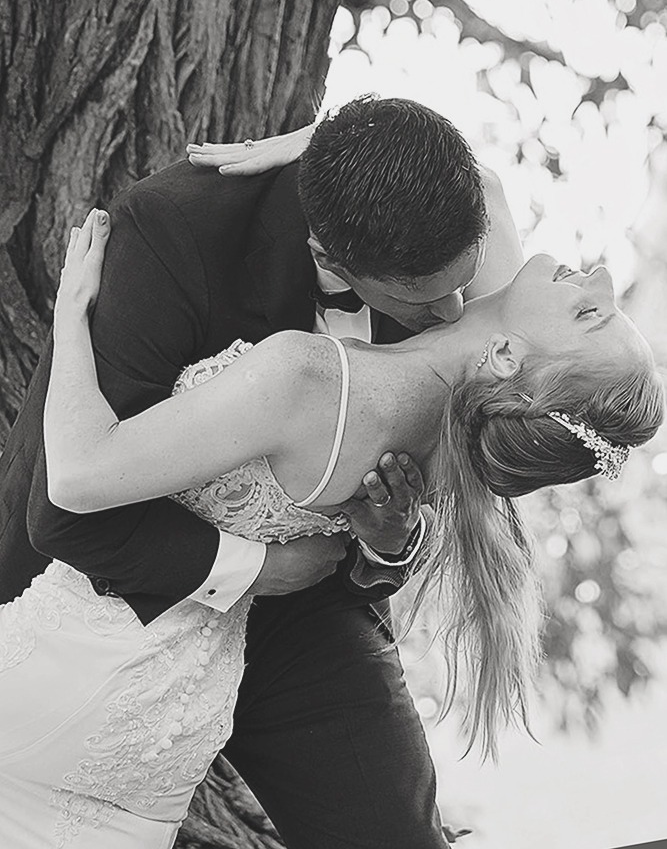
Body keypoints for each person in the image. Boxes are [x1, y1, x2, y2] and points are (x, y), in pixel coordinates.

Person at [0, 189, 662, 848]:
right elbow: (477, 181)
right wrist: (320, 155)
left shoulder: (309, 380)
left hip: (98, 666)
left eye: (588, 312)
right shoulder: (473, 410)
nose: (601, 276)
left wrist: (71, 314)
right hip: (171, 707)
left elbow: (79, 479)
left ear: (510, 359)